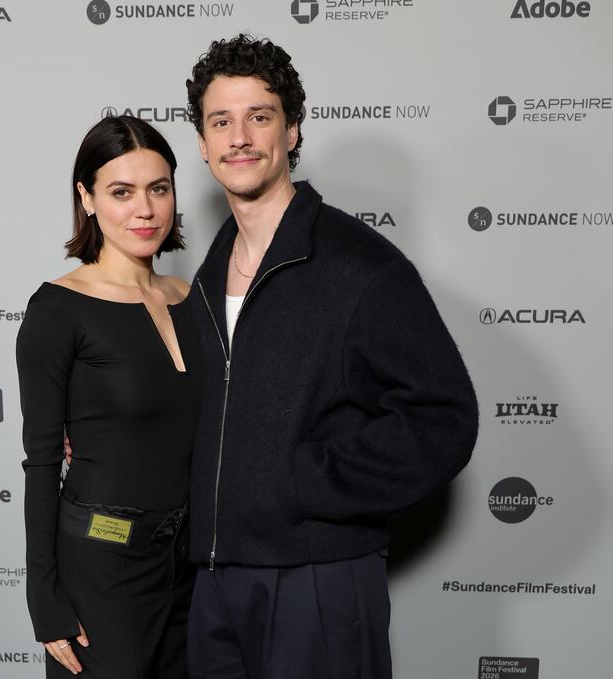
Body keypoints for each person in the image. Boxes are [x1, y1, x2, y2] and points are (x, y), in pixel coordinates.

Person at [182, 35, 479, 678]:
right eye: (220, 122)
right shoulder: (208, 274)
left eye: (259, 117)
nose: (239, 137)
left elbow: (442, 416)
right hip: (213, 582)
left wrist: (305, 481)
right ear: (202, 145)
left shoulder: (358, 265)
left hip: (315, 577)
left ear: (291, 131)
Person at [16, 115, 202, 678]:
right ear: (87, 198)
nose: (144, 210)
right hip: (101, 563)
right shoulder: (58, 309)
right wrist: (43, 599)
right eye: (121, 192)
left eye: (158, 188)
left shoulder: (193, 299)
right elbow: (43, 464)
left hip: (191, 564)